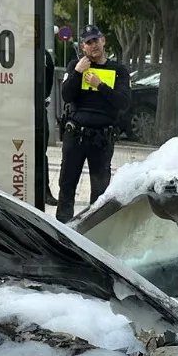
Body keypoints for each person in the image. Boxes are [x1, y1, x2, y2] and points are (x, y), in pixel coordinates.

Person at [56, 26, 131, 222]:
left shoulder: (118, 70)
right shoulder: (76, 66)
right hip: (76, 137)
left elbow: (123, 102)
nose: (93, 45)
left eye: (96, 40)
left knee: (100, 194)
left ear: (103, 41)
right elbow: (65, 95)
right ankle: (61, 234)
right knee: (66, 188)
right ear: (83, 47)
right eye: (88, 42)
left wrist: (100, 85)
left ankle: (93, 238)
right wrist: (77, 73)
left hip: (102, 139)